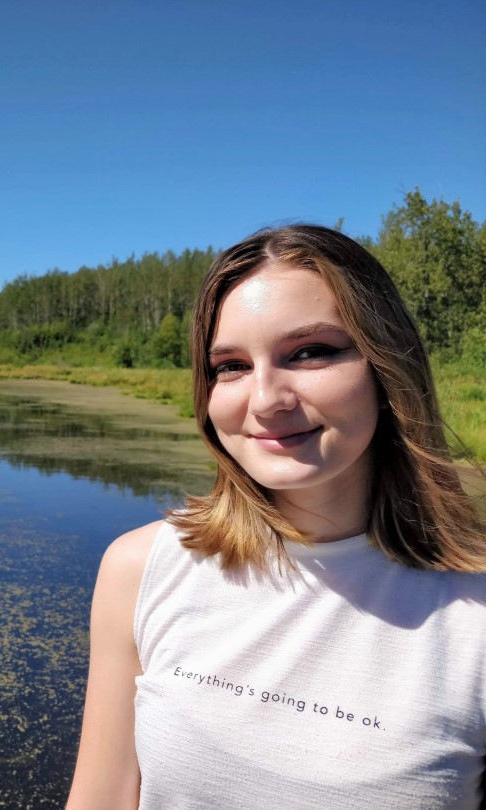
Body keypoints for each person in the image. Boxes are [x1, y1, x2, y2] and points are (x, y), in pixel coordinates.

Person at [66, 225, 486, 809]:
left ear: (387, 367)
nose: (266, 400)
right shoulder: (142, 570)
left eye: (310, 352)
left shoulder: (474, 616)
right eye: (231, 366)